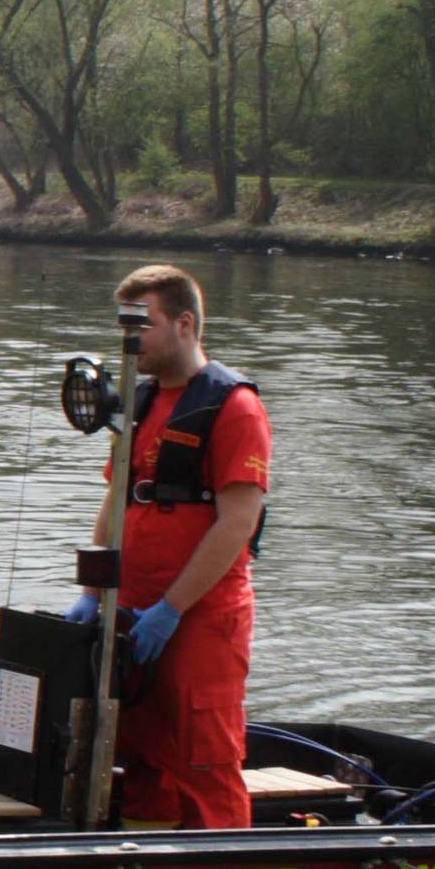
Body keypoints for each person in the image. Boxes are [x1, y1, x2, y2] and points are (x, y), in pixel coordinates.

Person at [66, 264, 272, 831]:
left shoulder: (234, 406)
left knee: (202, 756)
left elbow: (236, 523)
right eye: (123, 328)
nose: (130, 342)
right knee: (141, 755)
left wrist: (173, 609)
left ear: (184, 323)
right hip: (130, 607)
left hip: (200, 617)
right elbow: (116, 499)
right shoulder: (140, 402)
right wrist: (92, 591)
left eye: (142, 326)